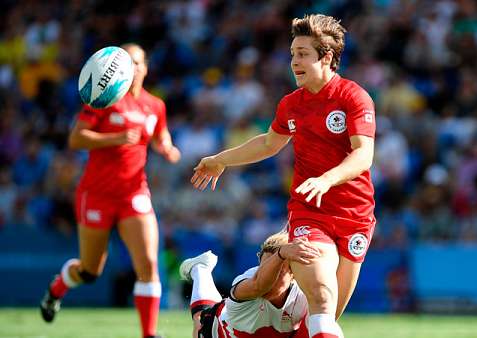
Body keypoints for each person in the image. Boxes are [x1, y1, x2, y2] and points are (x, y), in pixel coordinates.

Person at [191, 14, 376, 338]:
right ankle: (208, 313)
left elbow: (363, 154)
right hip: (310, 213)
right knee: (320, 297)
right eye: (292, 53)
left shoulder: (353, 97)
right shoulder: (292, 104)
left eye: (303, 53)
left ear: (327, 57)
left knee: (322, 320)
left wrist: (327, 179)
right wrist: (221, 160)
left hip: (356, 218)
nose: (294, 61)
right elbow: (268, 143)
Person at [40, 43, 181, 338]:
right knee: (91, 271)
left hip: (134, 192)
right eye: (127, 61)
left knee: (148, 264)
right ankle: (57, 288)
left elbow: (160, 135)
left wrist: (166, 148)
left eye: (137, 62)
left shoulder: (155, 105)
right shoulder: (101, 99)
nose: (133, 67)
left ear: (145, 67)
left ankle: (149, 334)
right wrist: (116, 138)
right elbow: (76, 140)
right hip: (96, 193)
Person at [179, 232, 319, 338]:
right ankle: (200, 269)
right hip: (219, 331)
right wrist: (281, 254)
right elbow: (259, 286)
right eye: (264, 267)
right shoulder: (250, 279)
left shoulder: (304, 293)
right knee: (199, 321)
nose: (267, 275)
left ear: (292, 273)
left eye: (277, 270)